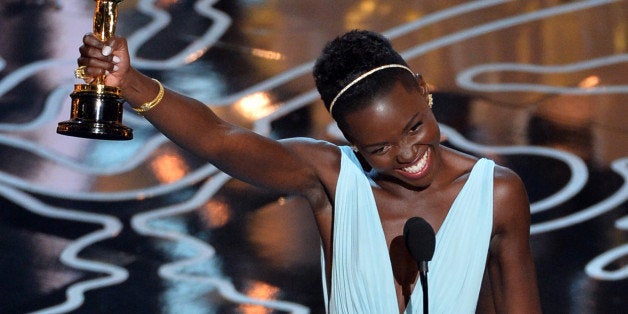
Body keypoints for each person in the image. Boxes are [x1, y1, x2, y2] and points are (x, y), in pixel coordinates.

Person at [76, 29, 541, 313]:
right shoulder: (333, 177)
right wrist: (131, 85)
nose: (405, 153)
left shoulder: (496, 194)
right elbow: (221, 139)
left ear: (422, 90)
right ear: (347, 137)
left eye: (414, 127)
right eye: (378, 146)